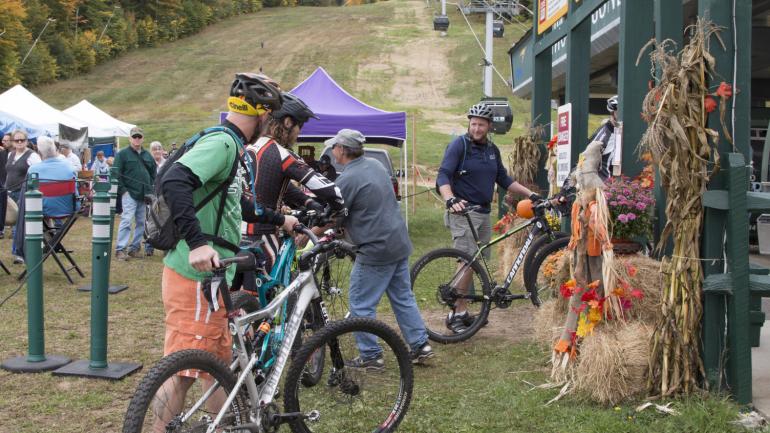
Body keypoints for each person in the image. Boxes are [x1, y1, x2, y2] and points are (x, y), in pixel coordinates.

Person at [152, 72, 294, 430]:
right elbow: (174, 180)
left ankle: (226, 427)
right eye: (270, 117)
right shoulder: (223, 144)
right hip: (195, 276)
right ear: (263, 114)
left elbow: (238, 205)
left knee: (215, 367)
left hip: (213, 278)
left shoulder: (233, 147)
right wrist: (198, 243)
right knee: (182, 372)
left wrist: (281, 219)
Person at [330, 128, 434, 365]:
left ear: (343, 149)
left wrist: (307, 234)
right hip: (398, 242)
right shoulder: (376, 165)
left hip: (376, 249)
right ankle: (421, 345)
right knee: (403, 297)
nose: (332, 150)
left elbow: (334, 215)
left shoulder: (347, 178)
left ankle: (370, 355)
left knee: (361, 303)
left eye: (334, 146)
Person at [436, 103, 539, 333]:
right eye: (473, 124)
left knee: (474, 264)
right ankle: (455, 314)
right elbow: (443, 175)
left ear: (489, 126)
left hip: (483, 213)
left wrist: (530, 194)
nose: (476, 128)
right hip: (463, 212)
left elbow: (504, 179)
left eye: (481, 125)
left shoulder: (492, 150)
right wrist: (450, 199)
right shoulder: (459, 145)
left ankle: (463, 311)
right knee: (466, 261)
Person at [241, 91, 345, 274]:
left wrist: (309, 202)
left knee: (239, 291)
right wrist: (337, 208)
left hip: (236, 232)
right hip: (263, 235)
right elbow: (331, 191)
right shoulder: (281, 154)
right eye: (299, 126)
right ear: (288, 122)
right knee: (267, 290)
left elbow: (276, 183)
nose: (299, 132)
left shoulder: (248, 148)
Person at [113, 126, 156, 260]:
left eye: (139, 137)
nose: (137, 139)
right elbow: (115, 173)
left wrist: (150, 189)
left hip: (144, 194)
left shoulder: (147, 155)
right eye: (134, 137)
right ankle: (120, 249)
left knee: (141, 223)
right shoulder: (122, 154)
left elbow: (153, 173)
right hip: (129, 193)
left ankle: (134, 248)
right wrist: (123, 191)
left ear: (142, 138)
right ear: (130, 138)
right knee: (126, 221)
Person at [5, 130, 41, 264]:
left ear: (27, 141)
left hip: (24, 193)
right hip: (10, 192)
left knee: (19, 226)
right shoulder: (10, 154)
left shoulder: (32, 156)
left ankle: (19, 254)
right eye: (17, 140)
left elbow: (37, 175)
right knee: (13, 222)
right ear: (12, 142)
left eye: (22, 140)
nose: (19, 142)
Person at [27, 136, 79, 218]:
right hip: (69, 209)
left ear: (39, 153)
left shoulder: (33, 170)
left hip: (41, 210)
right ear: (55, 150)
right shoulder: (69, 166)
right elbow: (76, 190)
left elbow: (29, 192)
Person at [0, 133, 8, 238]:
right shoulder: (2, 153)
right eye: (3, 140)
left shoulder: (9, 154)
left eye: (6, 140)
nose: (4, 142)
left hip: (6, 184)